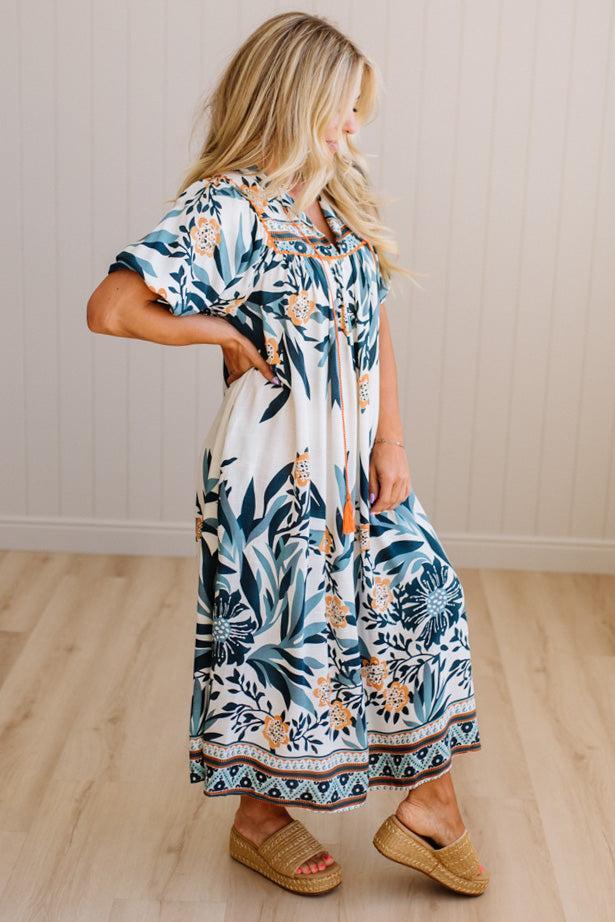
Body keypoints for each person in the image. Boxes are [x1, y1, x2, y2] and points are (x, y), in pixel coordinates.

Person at [87, 11, 489, 899]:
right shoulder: (227, 206)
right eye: (342, 108)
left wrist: (393, 442)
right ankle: (264, 816)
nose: (354, 127)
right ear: (294, 101)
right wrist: (217, 329)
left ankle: (428, 803)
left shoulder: (337, 201)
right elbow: (112, 307)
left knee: (420, 598)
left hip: (355, 458)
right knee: (289, 640)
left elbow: (375, 322)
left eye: (359, 110)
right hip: (274, 469)